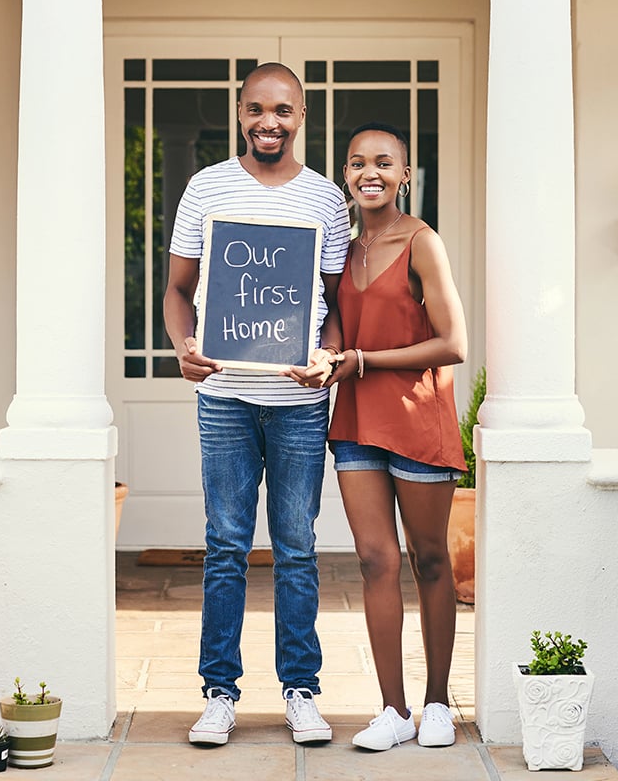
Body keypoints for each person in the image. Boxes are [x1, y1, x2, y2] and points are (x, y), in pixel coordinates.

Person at [163, 62, 350, 747]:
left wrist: (327, 357)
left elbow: (335, 305)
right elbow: (177, 291)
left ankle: (301, 691)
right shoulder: (206, 187)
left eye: (283, 110)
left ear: (302, 117)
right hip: (225, 400)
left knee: (298, 549)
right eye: (256, 109)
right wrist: (183, 346)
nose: (268, 122)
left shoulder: (326, 200)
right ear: (239, 112)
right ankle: (219, 694)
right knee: (225, 547)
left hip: (300, 405)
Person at [324, 121, 468, 751]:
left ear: (406, 175)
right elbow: (334, 326)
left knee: (429, 559)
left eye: (384, 163)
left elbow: (453, 344)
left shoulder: (422, 242)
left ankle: (438, 703)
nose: (369, 174)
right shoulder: (346, 251)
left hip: (415, 418)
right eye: (357, 164)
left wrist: (365, 361)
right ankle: (393, 708)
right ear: (346, 176)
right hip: (355, 422)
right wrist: (326, 356)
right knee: (375, 561)